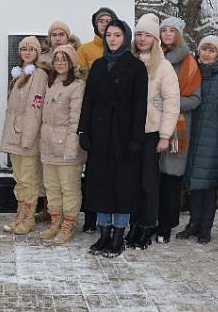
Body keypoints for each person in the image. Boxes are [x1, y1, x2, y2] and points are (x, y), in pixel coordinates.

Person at [79, 19, 148, 258]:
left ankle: (118, 236)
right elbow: (88, 101)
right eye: (109, 35)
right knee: (101, 185)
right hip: (100, 134)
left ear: (126, 37)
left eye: (118, 35)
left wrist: (136, 139)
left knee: (122, 186)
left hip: (124, 134)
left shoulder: (136, 67)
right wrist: (83, 131)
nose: (112, 39)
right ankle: (104, 234)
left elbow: (140, 106)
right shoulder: (98, 65)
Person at [126, 14, 180, 250]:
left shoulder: (164, 67)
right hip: (130, 132)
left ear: (155, 39)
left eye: (147, 35)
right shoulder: (129, 61)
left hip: (152, 132)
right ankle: (134, 223)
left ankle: (147, 225)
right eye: (139, 34)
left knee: (148, 182)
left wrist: (165, 135)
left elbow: (172, 102)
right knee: (132, 181)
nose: (142, 39)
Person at [177, 35, 218, 244]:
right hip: (192, 135)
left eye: (212, 50)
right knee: (194, 184)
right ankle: (193, 223)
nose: (207, 54)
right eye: (204, 49)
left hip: (214, 139)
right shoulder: (194, 70)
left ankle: (205, 228)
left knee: (208, 186)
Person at [154, 16, 202, 243]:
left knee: (171, 180)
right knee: (152, 179)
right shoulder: (151, 58)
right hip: (152, 123)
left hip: (178, 128)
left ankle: (166, 225)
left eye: (171, 30)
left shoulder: (189, 62)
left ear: (178, 34)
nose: (167, 34)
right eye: (163, 30)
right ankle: (150, 221)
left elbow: (195, 98)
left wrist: (169, 102)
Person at [0, 36, 48, 235]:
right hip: (13, 135)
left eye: (31, 49)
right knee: (19, 179)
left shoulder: (39, 75)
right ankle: (19, 215)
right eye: (24, 49)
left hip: (27, 137)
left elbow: (35, 108)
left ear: (37, 52)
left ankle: (28, 219)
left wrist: (28, 138)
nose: (27, 52)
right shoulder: (19, 74)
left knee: (29, 180)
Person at [38, 45, 86, 244]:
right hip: (48, 145)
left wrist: (70, 148)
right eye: (56, 59)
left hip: (66, 145)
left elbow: (75, 120)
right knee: (51, 186)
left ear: (72, 62)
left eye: (64, 59)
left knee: (69, 187)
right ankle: (56, 220)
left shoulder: (77, 86)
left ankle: (69, 223)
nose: (59, 63)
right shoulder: (50, 83)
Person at [76, 7, 118, 233]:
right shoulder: (85, 49)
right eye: (101, 20)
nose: (104, 24)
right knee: (93, 171)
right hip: (94, 115)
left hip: (116, 118)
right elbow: (80, 81)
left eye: (108, 20)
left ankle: (112, 217)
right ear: (95, 24)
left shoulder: (122, 49)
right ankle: (91, 217)